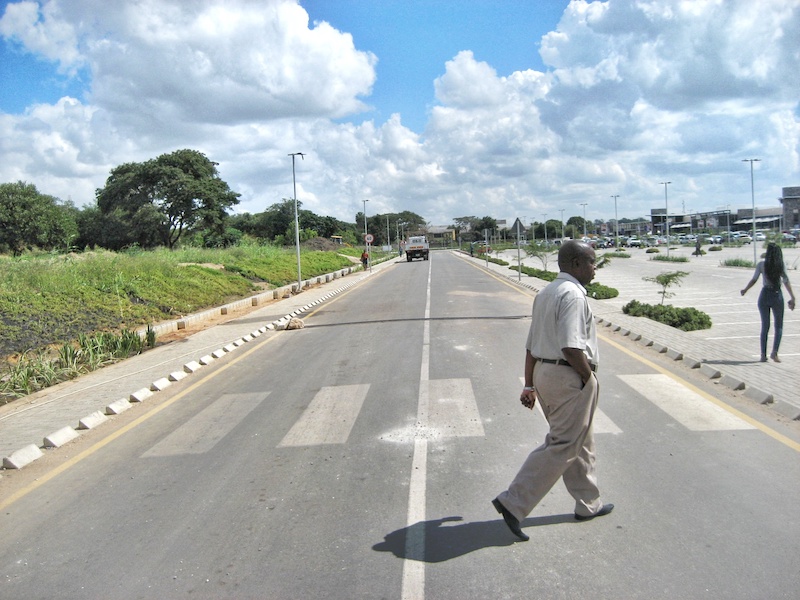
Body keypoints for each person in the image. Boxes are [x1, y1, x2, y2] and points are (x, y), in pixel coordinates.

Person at [492, 240, 613, 542]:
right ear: (575, 264)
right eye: (591, 262)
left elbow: (532, 345)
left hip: (547, 373)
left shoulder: (545, 292)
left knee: (579, 440)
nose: (595, 269)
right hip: (568, 374)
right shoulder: (572, 295)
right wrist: (588, 378)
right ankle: (513, 502)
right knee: (562, 443)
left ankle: (588, 503)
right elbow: (571, 346)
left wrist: (530, 383)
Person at [740, 242, 796, 362]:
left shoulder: (761, 265)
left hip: (764, 295)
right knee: (778, 325)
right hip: (776, 295)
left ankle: (762, 354)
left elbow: (754, 279)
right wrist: (792, 297)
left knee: (765, 326)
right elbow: (786, 281)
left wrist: (745, 290)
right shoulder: (780, 266)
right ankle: (774, 352)